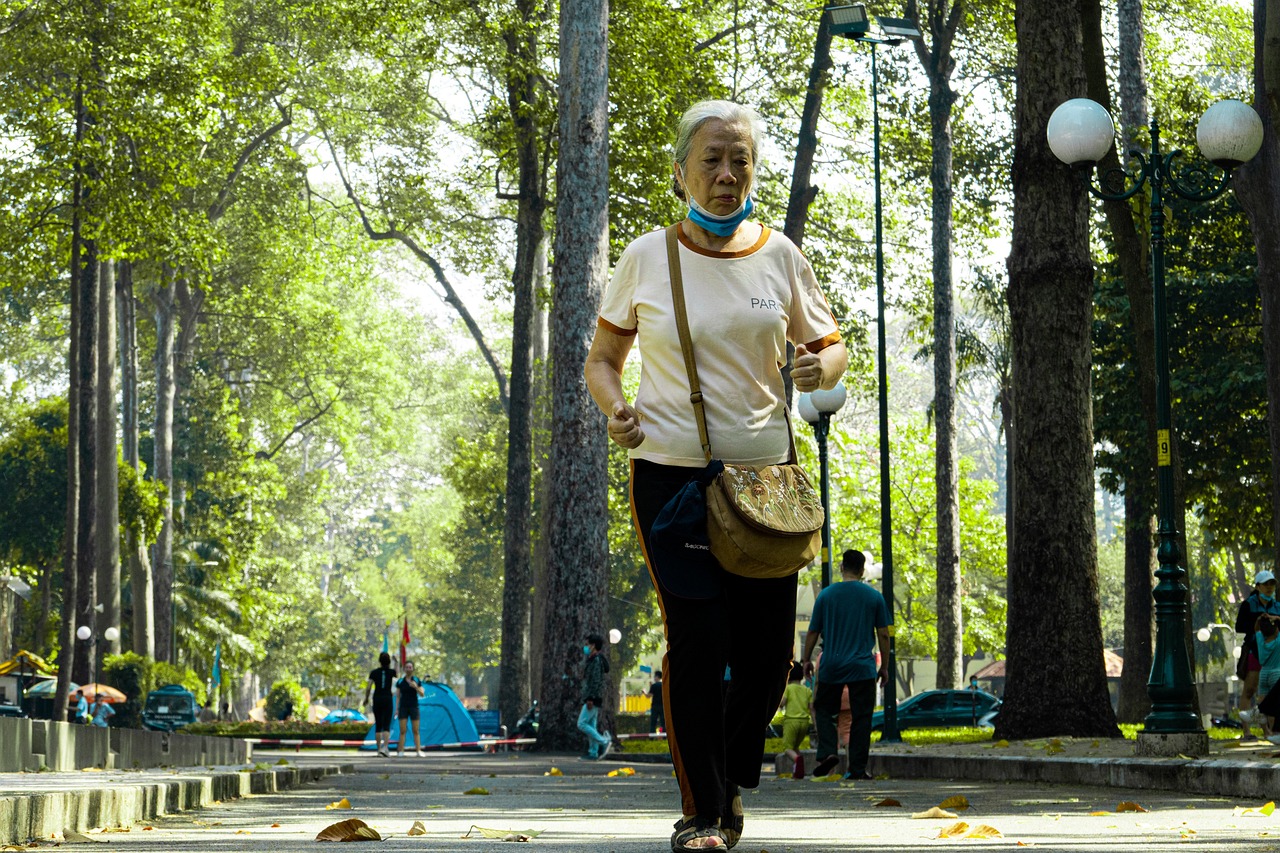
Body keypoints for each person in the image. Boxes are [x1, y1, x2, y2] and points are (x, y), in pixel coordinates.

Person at [585, 99, 847, 852]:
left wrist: (816, 363)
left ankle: (728, 769)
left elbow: (832, 348)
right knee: (696, 642)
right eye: (712, 161)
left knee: (768, 658)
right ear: (681, 174)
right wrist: (616, 410)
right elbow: (604, 360)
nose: (729, 175)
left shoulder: (781, 256)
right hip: (671, 477)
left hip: (765, 482)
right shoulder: (645, 258)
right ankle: (702, 810)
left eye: (741, 161)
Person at [803, 549, 889, 781]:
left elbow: (813, 631)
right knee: (862, 718)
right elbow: (883, 634)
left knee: (824, 710)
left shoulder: (827, 595)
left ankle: (829, 752)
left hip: (832, 664)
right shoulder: (874, 597)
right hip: (862, 667)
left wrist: (805, 659)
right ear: (862, 571)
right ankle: (857, 769)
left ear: (842, 567)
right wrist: (885, 666)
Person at [1235, 569, 1280, 740]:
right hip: (1255, 651)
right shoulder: (1249, 604)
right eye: (1265, 584)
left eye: (1272, 584)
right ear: (1258, 586)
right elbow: (1240, 627)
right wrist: (1257, 622)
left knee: (1273, 692)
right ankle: (1247, 731)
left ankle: (1271, 732)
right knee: (1250, 690)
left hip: (1275, 655)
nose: (1269, 587)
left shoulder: (1277, 606)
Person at [576, 633, 613, 761]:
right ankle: (593, 752)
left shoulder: (596, 660)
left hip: (593, 697)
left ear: (593, 646)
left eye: (587, 645)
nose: (585, 647)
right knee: (591, 724)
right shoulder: (593, 659)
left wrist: (590, 698)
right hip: (592, 696)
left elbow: (595, 681)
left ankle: (604, 741)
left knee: (581, 723)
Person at [777, 663, 813, 779]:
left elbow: (782, 703)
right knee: (796, 747)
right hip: (804, 722)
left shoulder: (788, 688)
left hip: (791, 721)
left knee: (787, 748)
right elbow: (811, 708)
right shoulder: (807, 690)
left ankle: (797, 760)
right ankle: (798, 771)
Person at [362, 652, 396, 757]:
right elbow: (397, 680)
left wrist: (366, 698)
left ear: (379, 661)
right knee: (386, 725)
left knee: (378, 725)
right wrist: (396, 662)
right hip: (388, 698)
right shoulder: (392, 672)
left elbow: (368, 687)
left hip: (377, 699)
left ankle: (378, 750)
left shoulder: (374, 673)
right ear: (389, 661)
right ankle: (385, 748)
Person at [1252, 614, 1280, 737]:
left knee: (1263, 705)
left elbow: (1256, 629)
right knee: (1275, 706)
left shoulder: (1260, 640)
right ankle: (1274, 731)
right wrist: (1277, 618)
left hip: (1263, 673)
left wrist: (1259, 620)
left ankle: (1266, 731)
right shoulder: (1278, 641)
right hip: (1277, 673)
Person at [395, 660, 427, 757]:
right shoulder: (400, 681)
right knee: (402, 730)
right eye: (407, 667)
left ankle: (418, 751)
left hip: (414, 707)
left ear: (413, 669)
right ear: (404, 669)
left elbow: (422, 693)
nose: (408, 669)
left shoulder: (416, 680)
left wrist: (416, 687)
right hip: (403, 707)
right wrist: (397, 709)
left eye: (410, 667)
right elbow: (398, 696)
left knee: (416, 730)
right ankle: (401, 751)